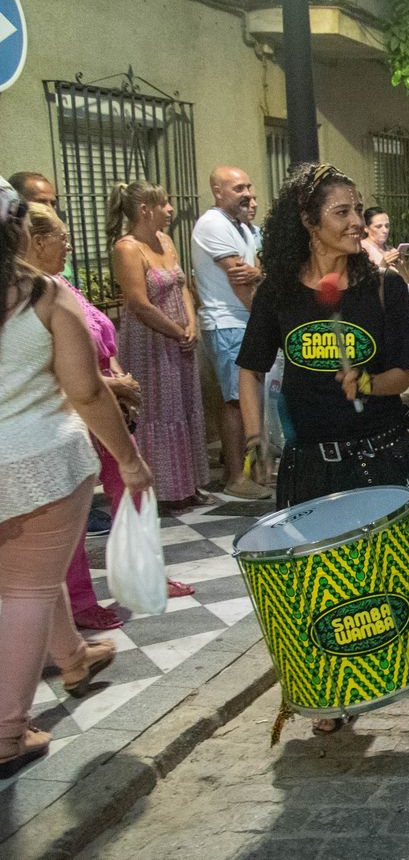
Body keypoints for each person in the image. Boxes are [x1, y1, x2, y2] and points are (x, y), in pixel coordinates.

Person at [237, 163, 409, 732]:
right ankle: (335, 687)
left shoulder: (382, 288)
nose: (357, 222)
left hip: (381, 451)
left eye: (359, 210)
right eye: (342, 212)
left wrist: (367, 382)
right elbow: (250, 370)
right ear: (308, 222)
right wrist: (257, 438)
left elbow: (403, 374)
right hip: (311, 459)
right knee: (322, 579)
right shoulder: (278, 293)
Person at [1, 180, 152, 777]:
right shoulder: (43, 295)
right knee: (26, 588)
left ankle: (72, 655)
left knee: (27, 575)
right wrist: (131, 460)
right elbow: (86, 389)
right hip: (40, 461)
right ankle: (8, 732)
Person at [22, 202, 189, 629]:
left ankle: (143, 572)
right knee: (73, 511)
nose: (70, 243)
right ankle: (79, 601)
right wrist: (112, 385)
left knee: (134, 486)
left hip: (104, 404)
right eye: (62, 236)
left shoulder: (62, 284)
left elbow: (98, 336)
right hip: (69, 412)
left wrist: (116, 374)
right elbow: (50, 369)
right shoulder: (30, 296)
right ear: (37, 241)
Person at [108, 181, 210, 514]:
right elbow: (139, 303)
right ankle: (163, 489)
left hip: (179, 338)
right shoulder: (127, 248)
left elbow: (181, 286)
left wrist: (191, 324)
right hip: (151, 342)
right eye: (164, 204)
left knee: (184, 406)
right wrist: (175, 330)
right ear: (144, 210)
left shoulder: (165, 240)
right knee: (160, 411)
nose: (170, 210)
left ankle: (188, 483)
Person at [191, 166, 272, 500]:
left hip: (244, 320)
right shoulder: (213, 224)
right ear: (217, 191)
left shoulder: (242, 227)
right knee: (235, 401)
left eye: (249, 186)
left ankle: (254, 469)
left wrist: (258, 273)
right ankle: (235, 476)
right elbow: (241, 279)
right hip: (228, 322)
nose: (247, 194)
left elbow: (260, 268)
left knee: (249, 398)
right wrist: (266, 317)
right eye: (238, 188)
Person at [361, 206, 403, 270]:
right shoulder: (361, 249)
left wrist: (400, 266)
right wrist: (383, 265)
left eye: (387, 226)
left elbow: (404, 278)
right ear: (366, 228)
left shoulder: (391, 250)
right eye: (378, 226)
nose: (385, 231)